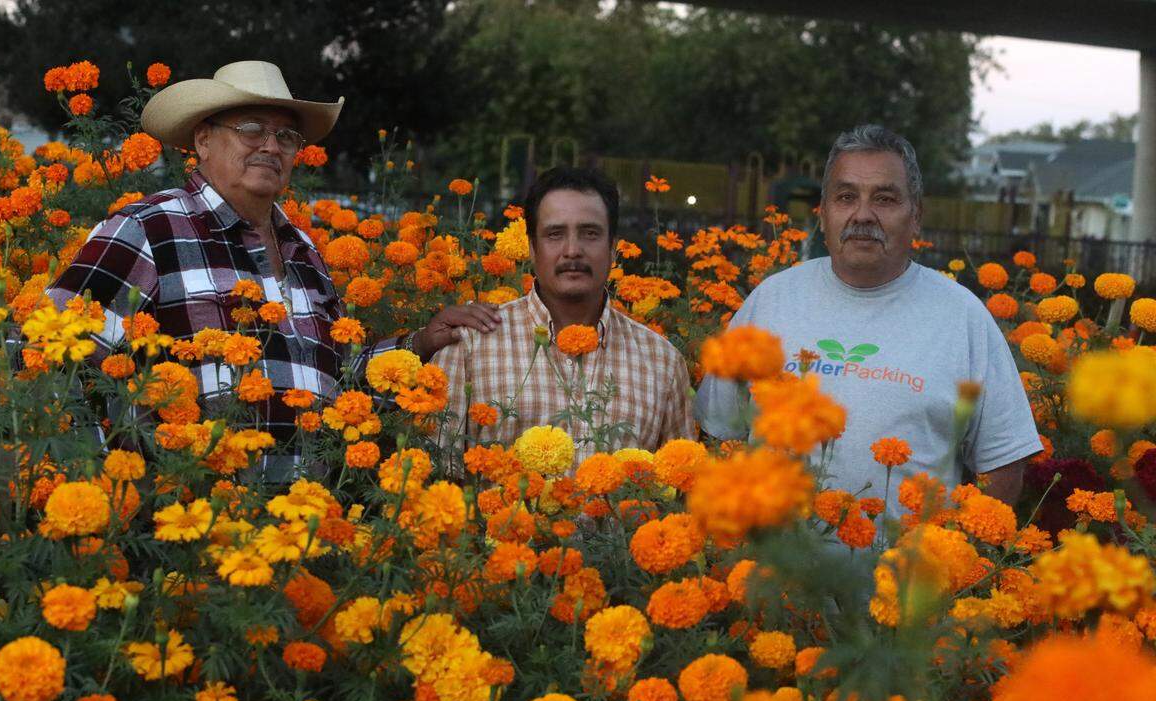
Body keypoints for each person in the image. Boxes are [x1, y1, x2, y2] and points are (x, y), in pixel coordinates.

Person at [46, 61, 490, 480]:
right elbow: (49, 358)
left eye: (287, 137)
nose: (271, 146)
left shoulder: (304, 249)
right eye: (252, 130)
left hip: (299, 528)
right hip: (188, 527)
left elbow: (339, 380)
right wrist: (112, 482)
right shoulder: (147, 228)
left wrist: (420, 344)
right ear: (203, 140)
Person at [695, 124, 1041, 513]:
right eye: (845, 197)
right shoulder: (770, 302)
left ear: (916, 217)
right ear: (823, 214)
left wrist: (955, 557)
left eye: (885, 198)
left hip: (908, 570)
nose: (863, 214)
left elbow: (1004, 461)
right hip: (772, 566)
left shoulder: (962, 318)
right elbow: (718, 435)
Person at [432, 166, 696, 465]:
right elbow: (437, 478)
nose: (573, 250)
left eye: (590, 234)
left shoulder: (662, 362)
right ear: (533, 248)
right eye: (555, 234)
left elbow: (679, 491)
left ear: (613, 248)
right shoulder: (469, 345)